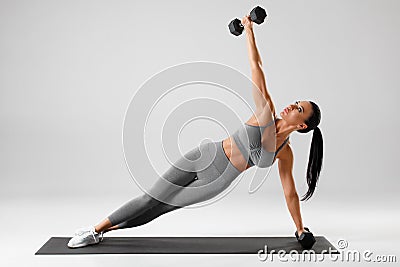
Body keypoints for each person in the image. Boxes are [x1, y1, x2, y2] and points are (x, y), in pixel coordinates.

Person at [68, 15, 323, 248]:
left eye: (299, 108)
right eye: (297, 102)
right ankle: (94, 229)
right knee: (150, 198)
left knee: (160, 208)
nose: (292, 105)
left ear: (302, 125)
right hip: (204, 153)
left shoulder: (284, 152)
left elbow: (289, 192)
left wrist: (299, 229)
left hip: (217, 179)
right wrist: (249, 30)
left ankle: (105, 232)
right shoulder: (265, 112)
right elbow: (256, 66)